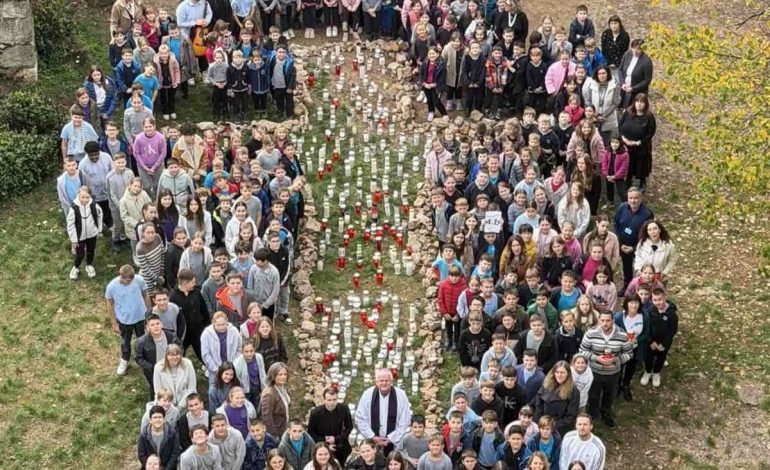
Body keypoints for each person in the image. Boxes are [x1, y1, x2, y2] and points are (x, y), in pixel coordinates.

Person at [578, 310, 633, 427]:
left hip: (613, 373)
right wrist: (596, 358)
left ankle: (606, 413)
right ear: (599, 320)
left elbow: (629, 353)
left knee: (609, 395)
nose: (605, 323)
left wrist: (616, 360)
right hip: (594, 371)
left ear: (613, 321)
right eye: (602, 320)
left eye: (608, 321)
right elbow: (582, 351)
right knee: (593, 395)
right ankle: (593, 414)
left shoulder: (622, 335)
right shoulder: (590, 333)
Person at [106, 264, 152, 376]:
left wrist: (149, 313)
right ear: (121, 276)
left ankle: (144, 359)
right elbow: (110, 304)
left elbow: (146, 294)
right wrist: (114, 323)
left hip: (141, 318)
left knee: (143, 340)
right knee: (125, 342)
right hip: (124, 320)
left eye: (130, 280)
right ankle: (124, 361)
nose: (129, 282)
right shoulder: (112, 286)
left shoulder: (139, 280)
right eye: (126, 280)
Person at [355, 368, 413, 455]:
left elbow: (404, 420)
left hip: (394, 440)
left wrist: (391, 438)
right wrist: (372, 436)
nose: (384, 383)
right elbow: (360, 417)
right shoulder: (368, 394)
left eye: (387, 380)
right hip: (372, 439)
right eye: (381, 381)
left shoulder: (400, 395)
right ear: (376, 382)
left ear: (391, 381)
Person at [613, 187, 653, 290]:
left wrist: (634, 248)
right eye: (630, 198)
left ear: (640, 198)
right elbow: (616, 224)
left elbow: (648, 235)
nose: (633, 201)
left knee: (640, 269)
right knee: (626, 268)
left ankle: (640, 289)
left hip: (639, 248)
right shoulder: (622, 208)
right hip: (623, 245)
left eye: (636, 198)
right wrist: (620, 244)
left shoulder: (647, 214)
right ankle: (627, 287)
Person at [135, 313, 182, 399]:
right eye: (152, 325)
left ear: (162, 324)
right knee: (156, 392)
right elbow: (138, 358)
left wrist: (175, 360)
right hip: (154, 372)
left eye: (157, 323)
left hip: (172, 368)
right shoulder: (141, 342)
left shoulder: (171, 336)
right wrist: (152, 367)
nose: (156, 326)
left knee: (174, 389)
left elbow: (180, 348)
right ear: (147, 328)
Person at [641, 288, 678, 388]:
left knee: (661, 358)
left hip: (663, 343)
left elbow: (672, 331)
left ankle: (656, 373)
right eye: (655, 300)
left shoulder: (672, 314)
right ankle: (647, 372)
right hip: (651, 342)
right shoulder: (650, 311)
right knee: (648, 357)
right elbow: (646, 327)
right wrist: (650, 341)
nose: (658, 302)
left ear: (665, 298)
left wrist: (664, 344)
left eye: (660, 299)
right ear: (652, 300)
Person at [619, 93, 656, 192]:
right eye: (637, 102)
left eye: (642, 102)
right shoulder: (628, 112)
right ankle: (628, 180)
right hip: (627, 144)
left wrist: (639, 142)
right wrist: (623, 138)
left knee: (641, 165)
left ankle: (642, 182)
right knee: (629, 163)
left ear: (645, 104)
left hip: (641, 146)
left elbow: (651, 132)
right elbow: (620, 125)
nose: (639, 104)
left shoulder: (649, 116)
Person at [308, 387, 354, 466]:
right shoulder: (315, 413)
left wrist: (336, 439)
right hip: (322, 445)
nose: (332, 403)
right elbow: (311, 432)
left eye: (334, 400)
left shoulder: (344, 409)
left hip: (340, 445)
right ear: (324, 400)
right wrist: (325, 442)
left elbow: (349, 427)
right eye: (329, 400)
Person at [66, 186, 104, 280]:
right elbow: (70, 224)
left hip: (92, 234)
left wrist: (99, 229)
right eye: (82, 197)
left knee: (91, 250)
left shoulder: (94, 205)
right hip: (79, 236)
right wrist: (74, 239)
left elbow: (99, 216)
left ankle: (89, 265)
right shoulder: (74, 208)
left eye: (87, 197)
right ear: (78, 196)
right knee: (80, 254)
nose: (85, 200)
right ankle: (76, 267)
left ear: (90, 196)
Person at [534, 360, 580, 438]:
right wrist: (541, 424)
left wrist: (552, 426)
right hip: (542, 427)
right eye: (557, 372)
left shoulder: (573, 391)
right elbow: (538, 406)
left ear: (568, 374)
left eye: (562, 373)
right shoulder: (546, 385)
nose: (559, 375)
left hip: (559, 430)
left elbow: (570, 417)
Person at [201, 311, 243, 385]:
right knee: (214, 388)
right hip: (214, 369)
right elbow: (205, 354)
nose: (221, 327)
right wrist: (216, 369)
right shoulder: (206, 334)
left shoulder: (234, 331)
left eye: (223, 324)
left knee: (232, 388)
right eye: (218, 325)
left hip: (232, 367)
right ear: (213, 323)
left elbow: (239, 349)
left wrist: (233, 365)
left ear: (227, 321)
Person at [153, 343, 197, 411]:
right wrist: (170, 407)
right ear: (166, 356)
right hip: (167, 403)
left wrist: (180, 406)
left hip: (185, 401)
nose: (174, 357)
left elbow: (192, 387)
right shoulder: (158, 367)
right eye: (171, 355)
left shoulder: (188, 364)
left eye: (177, 354)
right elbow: (158, 391)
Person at [137, 405, 181, 470]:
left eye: (160, 417)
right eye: (155, 417)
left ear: (164, 419)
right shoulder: (144, 435)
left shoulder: (172, 433)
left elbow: (175, 454)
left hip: (168, 467)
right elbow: (141, 455)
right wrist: (151, 467)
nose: (157, 420)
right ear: (150, 420)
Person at [618, 39, 653, 109]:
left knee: (633, 111)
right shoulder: (627, 54)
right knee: (622, 109)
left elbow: (647, 80)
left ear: (643, 49)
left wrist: (633, 88)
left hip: (637, 93)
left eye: (638, 49)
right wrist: (622, 83)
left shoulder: (646, 61)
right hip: (625, 89)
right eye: (633, 48)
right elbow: (620, 70)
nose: (635, 51)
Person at [260, 362, 291, 437]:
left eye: (285, 374)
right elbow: (267, 418)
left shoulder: (281, 387)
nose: (283, 377)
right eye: (280, 375)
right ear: (273, 376)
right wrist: (274, 436)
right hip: (276, 432)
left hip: (283, 427)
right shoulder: (269, 394)